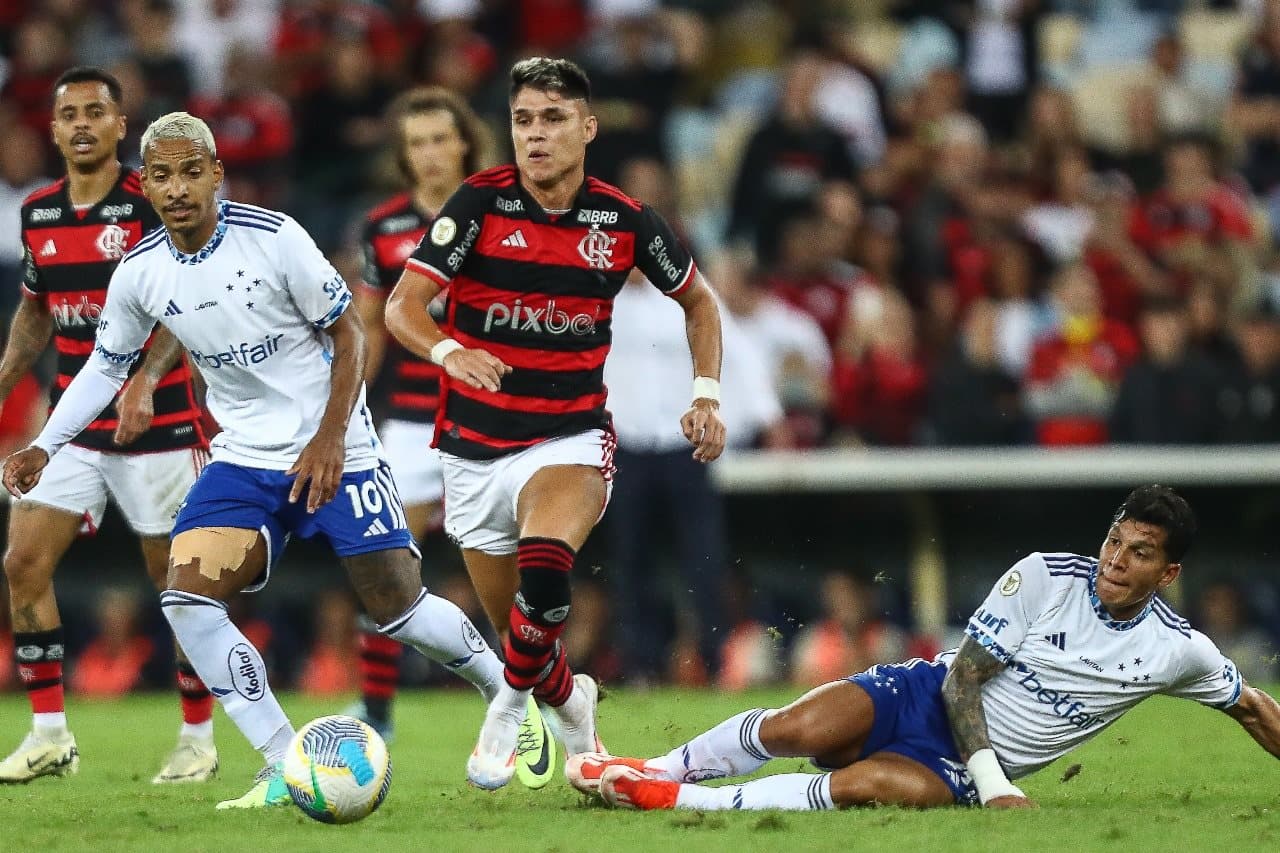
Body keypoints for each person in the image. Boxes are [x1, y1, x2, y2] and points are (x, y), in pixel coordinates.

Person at [1, 111, 545, 810]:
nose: (176, 189)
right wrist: (46, 443)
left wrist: (328, 438)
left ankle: (506, 690)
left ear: (216, 174)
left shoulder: (275, 237)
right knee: (187, 598)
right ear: (148, 183)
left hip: (337, 448)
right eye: (161, 175)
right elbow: (104, 370)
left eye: (191, 172)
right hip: (244, 457)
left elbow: (349, 334)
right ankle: (285, 762)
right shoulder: (139, 271)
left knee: (396, 605)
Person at [384, 56, 727, 790]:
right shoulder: (477, 205)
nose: (535, 136)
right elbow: (401, 307)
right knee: (531, 642)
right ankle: (574, 709)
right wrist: (452, 351)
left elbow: (699, 301)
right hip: (472, 448)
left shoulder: (624, 219)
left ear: (588, 128)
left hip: (568, 435)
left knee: (546, 565)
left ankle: (502, 714)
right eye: (522, 121)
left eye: (553, 119)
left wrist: (706, 392)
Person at [566, 486, 1280, 812]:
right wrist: (999, 784)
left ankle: (678, 799)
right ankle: (651, 763)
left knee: (864, 787)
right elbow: (964, 679)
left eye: (1140, 552)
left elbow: (1252, 708)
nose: (1116, 559)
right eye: (1114, 539)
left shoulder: (1177, 649)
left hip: (953, 768)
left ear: (1169, 572)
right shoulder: (1043, 575)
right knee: (796, 729)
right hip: (928, 696)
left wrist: (982, 779)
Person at [0, 67, 217, 786]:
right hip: (71, 422)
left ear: (122, 126)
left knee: (177, 583)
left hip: (161, 426)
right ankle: (50, 734)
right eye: (70, 114)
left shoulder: (151, 199)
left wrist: (147, 382)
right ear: (54, 129)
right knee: (23, 561)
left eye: (97, 111)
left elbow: (184, 303)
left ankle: (196, 736)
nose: (83, 124)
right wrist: (4, 381)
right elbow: (37, 308)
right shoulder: (39, 213)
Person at [346, 86, 489, 746]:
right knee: (386, 567)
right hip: (409, 419)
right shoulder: (385, 229)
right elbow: (371, 328)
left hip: (494, 417)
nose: (431, 153)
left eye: (440, 137)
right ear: (404, 157)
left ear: (464, 140)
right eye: (417, 143)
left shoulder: (500, 212)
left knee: (511, 570)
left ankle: (530, 702)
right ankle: (376, 711)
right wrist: (343, 410)